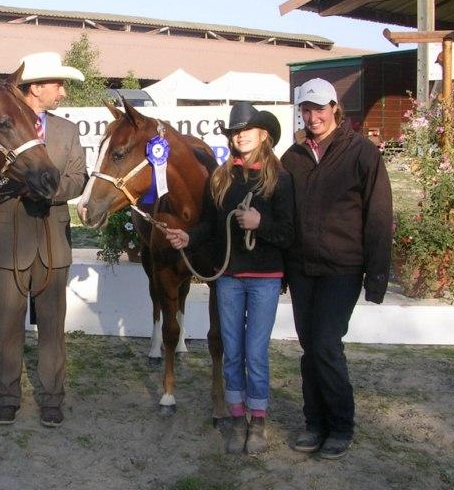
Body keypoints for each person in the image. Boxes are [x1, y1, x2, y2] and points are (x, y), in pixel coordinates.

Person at [0, 52, 87, 427]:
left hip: (53, 241)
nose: (62, 92)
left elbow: (78, 178)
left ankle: (52, 397)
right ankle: (6, 396)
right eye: (57, 84)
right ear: (35, 88)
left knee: (52, 327)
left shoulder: (67, 131)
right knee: (7, 325)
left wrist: (46, 191)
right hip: (7, 237)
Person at [166, 103, 294, 455]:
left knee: (255, 352)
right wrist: (189, 237)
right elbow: (209, 224)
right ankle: (237, 420)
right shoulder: (222, 179)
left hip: (265, 277)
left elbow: (287, 233)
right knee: (232, 350)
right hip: (228, 276)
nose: (240, 135)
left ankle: (259, 423)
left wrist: (260, 225)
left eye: (247, 129)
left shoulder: (279, 180)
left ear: (263, 134)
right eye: (235, 130)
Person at [281, 78, 392, 459]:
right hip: (301, 267)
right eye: (306, 110)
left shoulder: (362, 153)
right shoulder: (292, 158)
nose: (313, 116)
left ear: (335, 108)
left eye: (319, 108)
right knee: (310, 347)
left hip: (342, 267)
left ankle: (341, 425)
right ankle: (315, 423)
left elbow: (379, 216)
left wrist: (376, 277)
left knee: (326, 344)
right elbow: (280, 214)